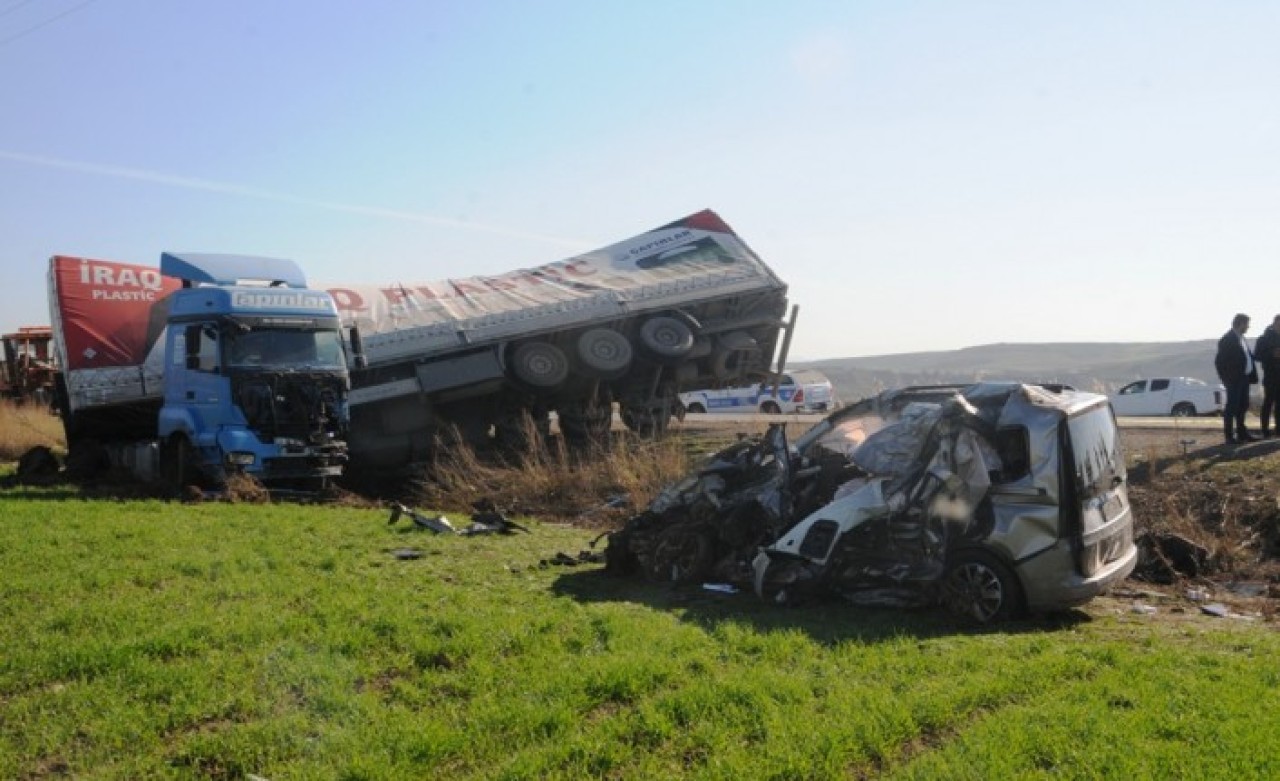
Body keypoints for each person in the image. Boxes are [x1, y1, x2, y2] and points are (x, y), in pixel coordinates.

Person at [1214, 313, 1259, 444]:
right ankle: (1229, 436)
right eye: (1247, 324)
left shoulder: (1242, 339)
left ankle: (1242, 433)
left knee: (1243, 406)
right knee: (1231, 407)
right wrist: (1227, 379)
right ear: (1240, 324)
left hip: (1244, 379)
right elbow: (1219, 362)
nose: (1248, 327)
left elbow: (1248, 357)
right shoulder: (1227, 339)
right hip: (1234, 380)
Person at [1254, 314, 1280, 437]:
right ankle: (1264, 430)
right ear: (1275, 323)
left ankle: (1278, 429)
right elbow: (1257, 356)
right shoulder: (1264, 339)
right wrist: (1272, 354)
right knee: (1268, 403)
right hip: (1270, 376)